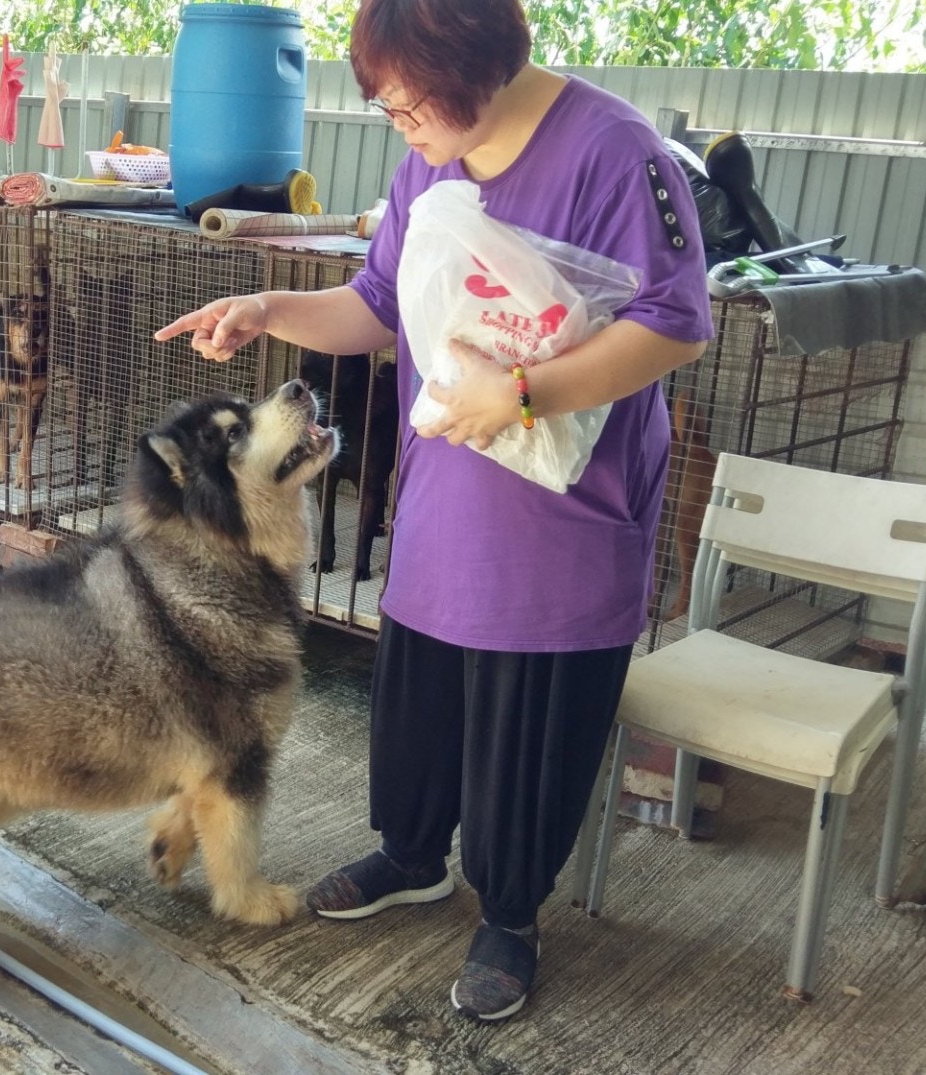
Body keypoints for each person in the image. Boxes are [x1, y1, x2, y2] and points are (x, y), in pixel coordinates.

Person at [155, 0, 713, 1021]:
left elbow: (676, 324)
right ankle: (412, 855)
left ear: (480, 73)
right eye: (388, 107)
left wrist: (528, 393)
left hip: (562, 517)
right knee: (423, 700)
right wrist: (269, 311)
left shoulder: (614, 154)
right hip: (449, 490)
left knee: (525, 726)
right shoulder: (430, 161)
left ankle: (510, 910)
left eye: (411, 106)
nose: (399, 126)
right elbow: (378, 302)